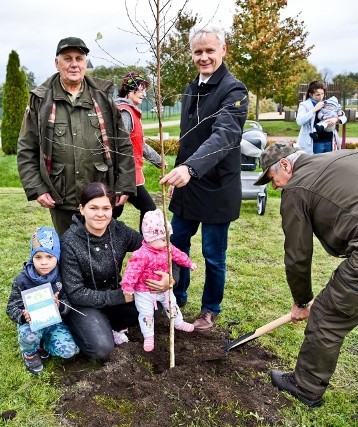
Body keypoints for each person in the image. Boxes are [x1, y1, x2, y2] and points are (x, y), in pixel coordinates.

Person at [253, 143, 358, 426]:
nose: (274, 187)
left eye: (272, 179)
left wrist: (303, 301)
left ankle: (306, 386)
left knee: (327, 317)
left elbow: (297, 254)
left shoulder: (296, 188)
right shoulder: (354, 154)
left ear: (285, 165)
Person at [159, 25, 248, 330]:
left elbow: (225, 136)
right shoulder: (189, 88)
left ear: (223, 50)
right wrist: (178, 172)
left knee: (213, 254)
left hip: (216, 187)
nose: (204, 57)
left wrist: (191, 168)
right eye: (198, 51)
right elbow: (188, 140)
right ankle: (176, 296)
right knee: (176, 245)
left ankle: (210, 308)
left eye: (210, 50)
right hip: (187, 184)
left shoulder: (234, 91)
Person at [17, 36, 136, 236]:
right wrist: (37, 187)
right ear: (57, 63)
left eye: (79, 59)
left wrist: (124, 184)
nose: (74, 64)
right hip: (60, 196)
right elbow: (27, 148)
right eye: (68, 58)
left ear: (85, 63)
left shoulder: (102, 97)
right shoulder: (41, 100)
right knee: (68, 254)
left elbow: (122, 145)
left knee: (102, 253)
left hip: (100, 195)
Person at [60, 182, 173, 359]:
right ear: (81, 209)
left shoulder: (118, 230)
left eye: (106, 208)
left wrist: (170, 279)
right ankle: (83, 326)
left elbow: (160, 250)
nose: (100, 214)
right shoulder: (70, 241)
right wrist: (120, 296)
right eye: (93, 208)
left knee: (155, 304)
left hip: (114, 297)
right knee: (101, 349)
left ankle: (108, 324)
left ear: (112, 209)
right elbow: (75, 292)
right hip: (85, 304)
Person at [6, 226, 79, 375]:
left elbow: (69, 303)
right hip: (32, 324)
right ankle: (30, 353)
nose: (44, 262)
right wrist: (22, 315)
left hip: (54, 322)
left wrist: (60, 306)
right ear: (32, 257)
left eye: (49, 257)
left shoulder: (62, 277)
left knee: (70, 351)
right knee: (29, 335)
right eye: (38, 257)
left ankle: (44, 346)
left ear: (57, 257)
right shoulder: (22, 280)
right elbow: (11, 307)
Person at [121, 209, 196, 352]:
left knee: (172, 304)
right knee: (146, 314)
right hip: (145, 292)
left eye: (168, 238)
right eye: (163, 239)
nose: (166, 242)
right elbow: (131, 272)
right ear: (150, 238)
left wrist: (189, 263)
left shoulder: (167, 248)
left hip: (164, 288)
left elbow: (178, 255)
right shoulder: (141, 254)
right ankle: (148, 336)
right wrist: (128, 288)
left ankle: (178, 322)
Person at [113, 71, 164, 230]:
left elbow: (138, 143)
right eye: (140, 89)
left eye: (145, 90)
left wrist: (158, 160)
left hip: (131, 174)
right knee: (149, 209)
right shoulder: (124, 112)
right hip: (125, 175)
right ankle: (144, 247)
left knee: (112, 213)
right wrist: (121, 180)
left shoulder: (131, 112)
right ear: (129, 90)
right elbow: (120, 147)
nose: (144, 94)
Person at [296, 81, 347, 154]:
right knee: (316, 164)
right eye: (318, 95)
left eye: (322, 94)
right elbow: (299, 121)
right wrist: (314, 109)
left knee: (329, 164)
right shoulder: (304, 105)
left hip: (329, 141)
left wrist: (336, 119)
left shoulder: (327, 103)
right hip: (314, 143)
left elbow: (343, 117)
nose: (321, 97)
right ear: (311, 94)